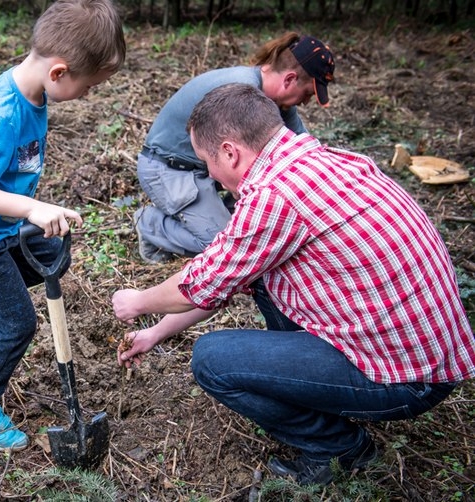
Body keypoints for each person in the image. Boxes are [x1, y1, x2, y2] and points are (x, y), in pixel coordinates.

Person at [112, 83, 475, 485]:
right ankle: (319, 393)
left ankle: (339, 447)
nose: (209, 175)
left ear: (230, 152)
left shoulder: (274, 197)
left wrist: (138, 302)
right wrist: (155, 333)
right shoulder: (327, 161)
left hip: (408, 379)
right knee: (262, 280)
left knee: (212, 360)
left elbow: (197, 285)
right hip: (423, 355)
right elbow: (223, 277)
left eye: (205, 161)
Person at [0, 0, 126, 452]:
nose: (89, 94)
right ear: (59, 72)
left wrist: (28, 210)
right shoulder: (6, 112)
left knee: (53, 259)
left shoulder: (32, 91)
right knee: (16, 324)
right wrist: (31, 209)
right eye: (89, 86)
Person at [134, 32, 335, 264]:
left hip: (206, 169)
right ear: (289, 80)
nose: (306, 101)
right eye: (308, 93)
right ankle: (151, 224)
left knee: (253, 228)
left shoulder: (275, 102)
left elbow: (300, 146)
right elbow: (244, 165)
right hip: (168, 169)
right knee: (225, 246)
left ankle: (208, 213)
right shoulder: (241, 95)